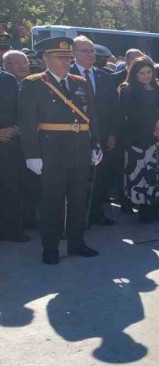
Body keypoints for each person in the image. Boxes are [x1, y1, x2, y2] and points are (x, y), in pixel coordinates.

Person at [19, 37, 103, 264]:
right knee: (52, 201)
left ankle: (77, 242)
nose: (66, 61)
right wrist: (32, 154)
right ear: (45, 58)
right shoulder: (34, 83)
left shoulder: (79, 82)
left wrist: (95, 143)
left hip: (80, 149)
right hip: (51, 151)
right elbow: (27, 122)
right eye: (60, 56)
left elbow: (91, 116)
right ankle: (50, 247)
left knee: (79, 200)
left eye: (68, 57)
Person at [118, 56, 159, 223]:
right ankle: (144, 210)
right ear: (134, 73)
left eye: (149, 72)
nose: (146, 76)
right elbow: (129, 113)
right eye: (141, 73)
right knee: (143, 176)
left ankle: (158, 208)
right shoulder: (127, 89)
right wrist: (153, 124)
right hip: (140, 140)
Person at [71, 36, 119, 226]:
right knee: (78, 178)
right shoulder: (67, 73)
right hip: (75, 134)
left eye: (91, 50)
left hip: (102, 134)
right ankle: (77, 217)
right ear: (74, 53)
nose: (90, 54)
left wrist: (112, 133)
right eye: (84, 50)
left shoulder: (104, 76)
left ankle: (96, 212)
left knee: (100, 175)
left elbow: (113, 108)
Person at [0, 64, 28, 242]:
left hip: (8, 146)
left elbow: (22, 111)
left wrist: (16, 129)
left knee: (10, 189)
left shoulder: (8, 80)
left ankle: (10, 229)